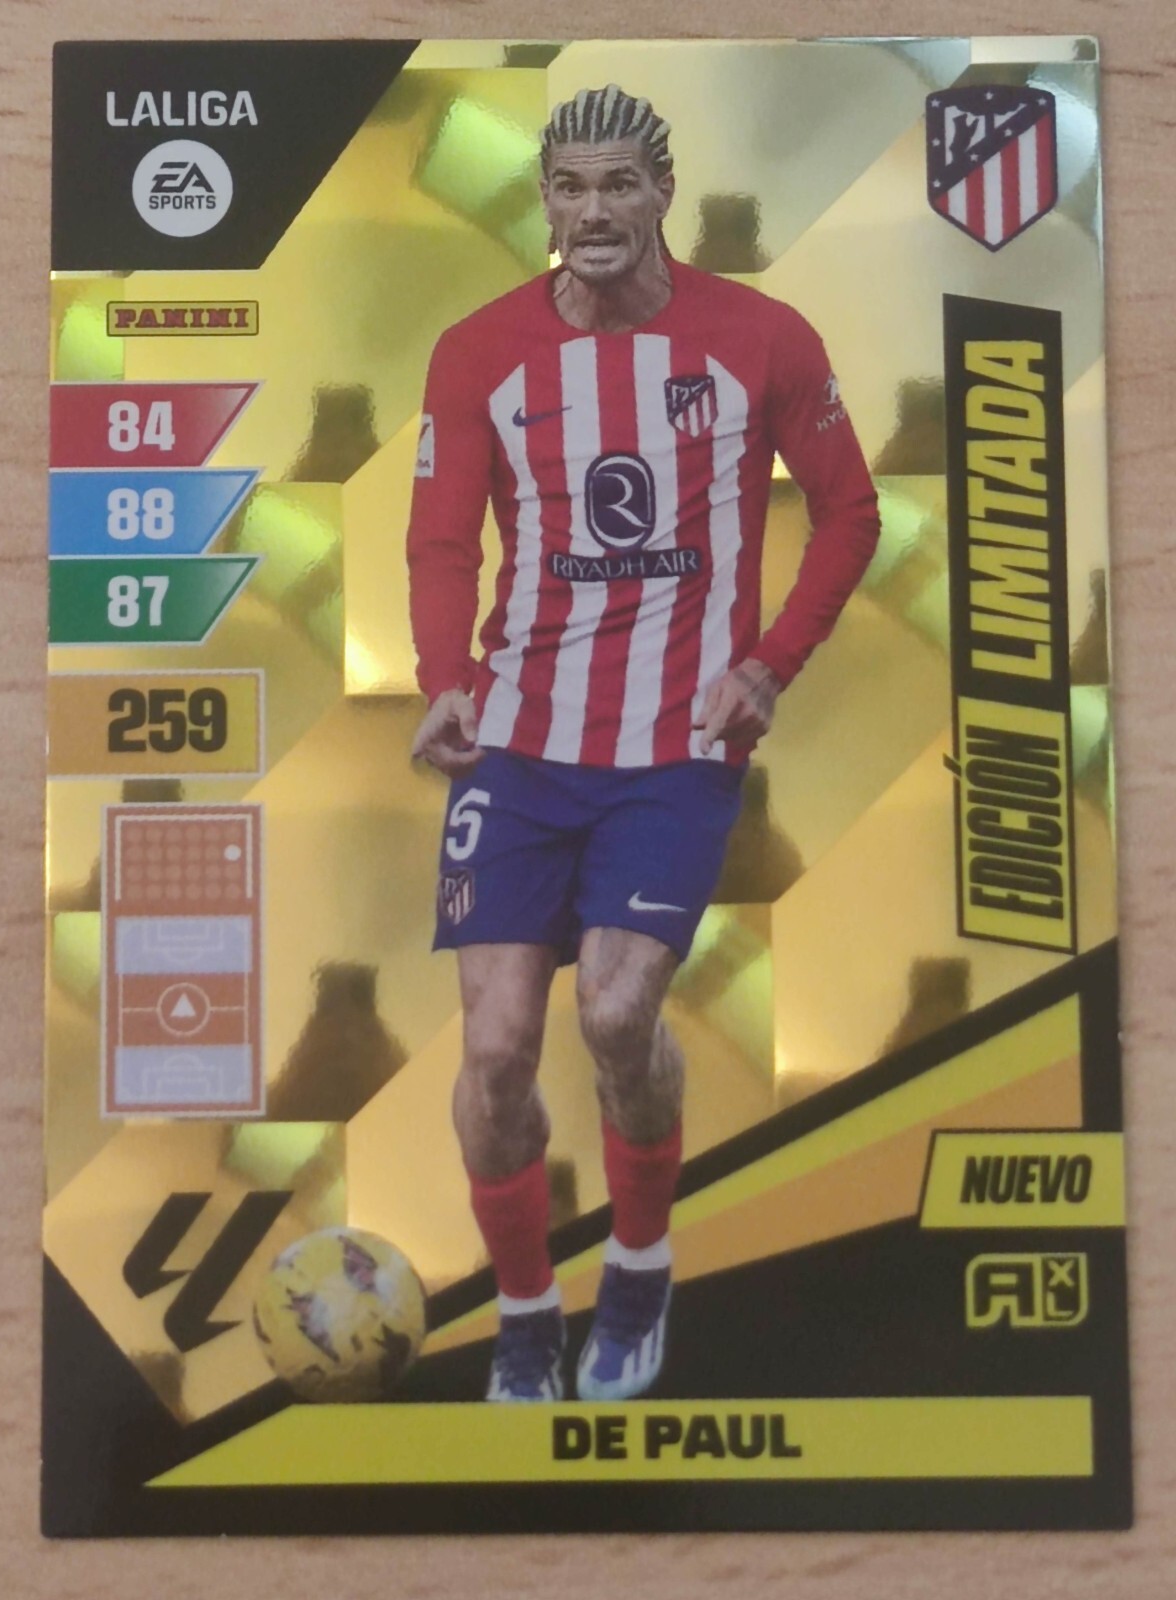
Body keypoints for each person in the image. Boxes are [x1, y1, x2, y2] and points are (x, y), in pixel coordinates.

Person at [407, 84, 879, 1402]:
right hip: (519, 742)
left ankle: (641, 1265)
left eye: (620, 184)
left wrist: (769, 666)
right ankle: (523, 1313)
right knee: (495, 1049)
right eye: (571, 187)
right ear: (545, 201)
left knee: (616, 1014)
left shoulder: (761, 337)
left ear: (663, 191)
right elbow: (441, 538)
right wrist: (444, 681)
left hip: (676, 746)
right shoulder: (479, 351)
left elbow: (850, 512)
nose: (595, 210)